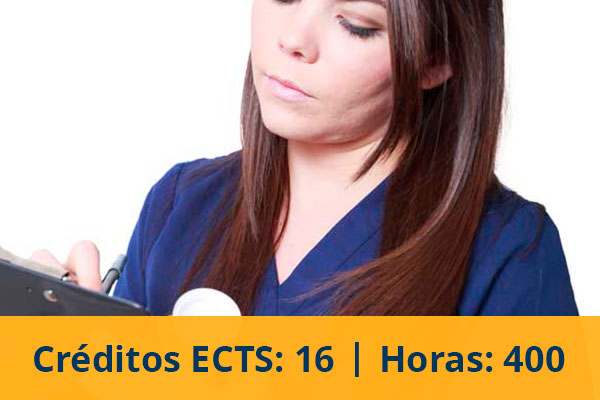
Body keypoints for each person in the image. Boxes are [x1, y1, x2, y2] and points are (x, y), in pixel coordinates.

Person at [30, 0, 578, 316]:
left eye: (356, 23)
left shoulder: (507, 252)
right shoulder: (182, 206)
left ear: (437, 60)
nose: (293, 39)